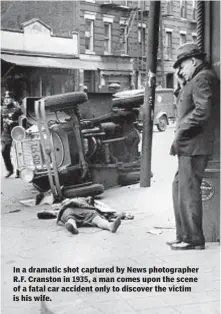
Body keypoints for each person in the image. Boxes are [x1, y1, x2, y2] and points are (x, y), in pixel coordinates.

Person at [168, 42, 219, 250]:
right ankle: (184, 235)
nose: (180, 70)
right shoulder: (196, 79)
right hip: (189, 145)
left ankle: (193, 239)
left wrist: (181, 131)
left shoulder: (202, 78)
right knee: (179, 187)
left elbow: (202, 111)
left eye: (181, 65)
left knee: (188, 190)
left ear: (193, 60)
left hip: (195, 145)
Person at [56, 198, 122, 235]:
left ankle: (110, 226)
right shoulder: (65, 208)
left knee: (96, 217)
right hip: (73, 211)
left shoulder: (80, 200)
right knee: (70, 218)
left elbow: (92, 203)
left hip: (84, 210)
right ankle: (72, 227)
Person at [1, 91, 23, 178]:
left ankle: (19, 171)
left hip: (16, 131)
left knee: (19, 151)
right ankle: (10, 169)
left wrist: (13, 122)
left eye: (8, 98)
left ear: (12, 99)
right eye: (5, 98)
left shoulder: (17, 108)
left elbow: (22, 119)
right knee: (4, 151)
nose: (6, 100)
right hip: (6, 133)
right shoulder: (3, 109)